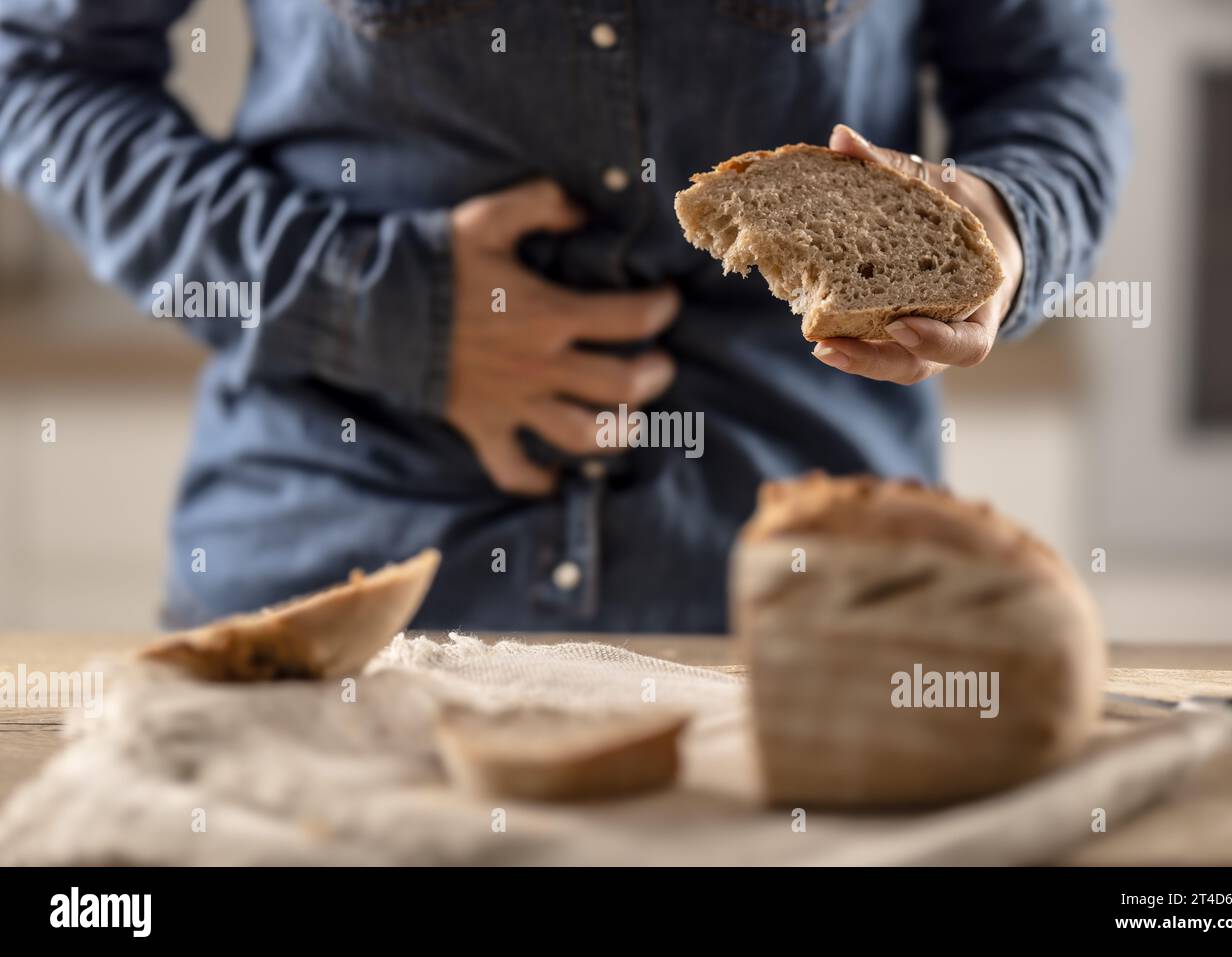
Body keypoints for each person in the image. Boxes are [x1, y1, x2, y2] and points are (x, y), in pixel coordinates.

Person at [0, 1, 1127, 632]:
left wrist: (1002, 226)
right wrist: (371, 304)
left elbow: (1050, 74)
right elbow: (43, 71)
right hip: (337, 587)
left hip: (805, 607)